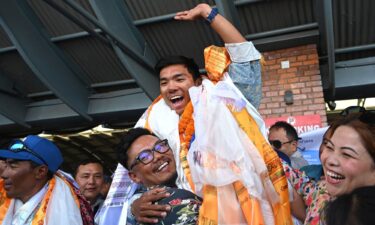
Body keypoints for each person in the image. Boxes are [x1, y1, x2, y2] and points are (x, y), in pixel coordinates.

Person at [100, 3, 292, 225]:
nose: (170, 87)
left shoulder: (225, 100)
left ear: (198, 82)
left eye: (179, 79)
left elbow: (244, 57)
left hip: (251, 209)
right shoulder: (156, 121)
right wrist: (134, 208)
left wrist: (207, 13)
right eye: (164, 82)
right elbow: (135, 175)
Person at [284, 112, 375, 225]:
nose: (330, 160)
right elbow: (297, 179)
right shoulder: (321, 191)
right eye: (329, 147)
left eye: (347, 154)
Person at [0, 135, 94, 225]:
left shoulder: (62, 214)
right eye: (6, 165)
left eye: (12, 166)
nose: (3, 174)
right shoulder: (6, 202)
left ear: (40, 171)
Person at [118, 127, 202, 225]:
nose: (158, 156)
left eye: (160, 147)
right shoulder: (150, 210)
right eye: (144, 157)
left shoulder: (198, 171)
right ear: (134, 176)